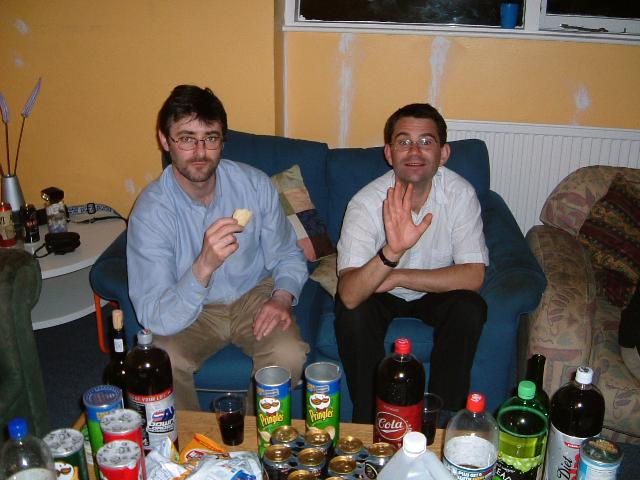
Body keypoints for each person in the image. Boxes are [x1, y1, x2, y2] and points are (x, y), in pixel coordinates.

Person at [127, 85, 309, 410]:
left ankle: (256, 436)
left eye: (210, 138)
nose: (200, 152)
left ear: (222, 141)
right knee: (160, 360)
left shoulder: (254, 185)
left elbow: (287, 254)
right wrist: (203, 267)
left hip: (253, 294)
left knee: (289, 355)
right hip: (188, 304)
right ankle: (185, 440)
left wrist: (281, 297)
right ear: (165, 140)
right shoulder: (151, 212)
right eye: (186, 138)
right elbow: (154, 314)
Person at [335, 103, 489, 423]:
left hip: (431, 289)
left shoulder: (460, 195)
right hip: (381, 293)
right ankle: (370, 419)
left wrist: (399, 275)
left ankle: (442, 418)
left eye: (426, 142)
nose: (414, 151)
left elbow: (474, 275)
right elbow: (348, 294)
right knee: (352, 312)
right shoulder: (365, 203)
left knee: (469, 307)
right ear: (389, 153)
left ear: (443, 153)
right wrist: (392, 252)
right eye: (404, 142)